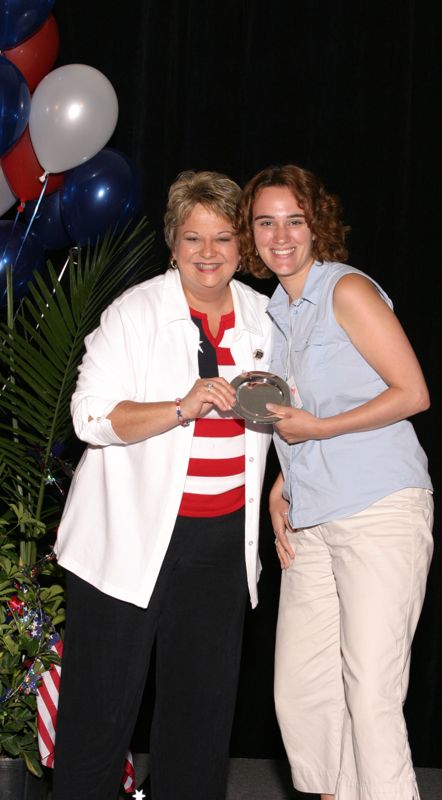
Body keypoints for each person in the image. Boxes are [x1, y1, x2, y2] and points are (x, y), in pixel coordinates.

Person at [53, 170, 273, 800]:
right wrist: (181, 407)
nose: (209, 253)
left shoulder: (266, 319)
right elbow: (88, 416)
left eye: (224, 237)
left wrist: (286, 498)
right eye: (193, 237)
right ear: (173, 244)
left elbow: (288, 418)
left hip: (222, 547)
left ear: (241, 247)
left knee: (200, 727)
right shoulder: (134, 312)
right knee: (99, 720)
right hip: (126, 543)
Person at [238, 164, 433, 800]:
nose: (281, 234)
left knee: (371, 693)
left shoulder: (346, 290)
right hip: (314, 520)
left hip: (380, 508)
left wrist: (318, 431)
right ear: (253, 236)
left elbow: (413, 393)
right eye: (266, 222)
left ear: (317, 224)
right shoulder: (277, 316)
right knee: (302, 696)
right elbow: (287, 418)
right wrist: (278, 485)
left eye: (294, 219)